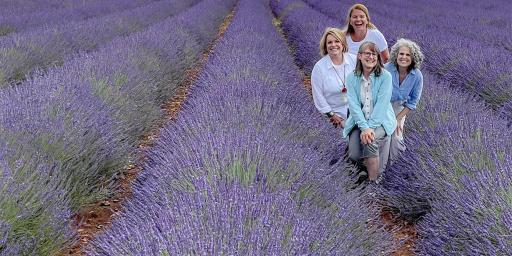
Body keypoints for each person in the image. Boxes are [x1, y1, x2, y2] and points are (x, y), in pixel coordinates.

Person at [343, 42, 396, 182]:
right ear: (359, 56)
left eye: (374, 54)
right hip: (359, 122)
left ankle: (373, 182)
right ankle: (363, 173)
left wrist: (370, 128)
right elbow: (353, 106)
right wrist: (364, 127)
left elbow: (382, 106)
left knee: (370, 142)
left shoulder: (385, 76)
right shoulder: (351, 78)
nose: (371, 57)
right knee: (354, 155)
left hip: (381, 121)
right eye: (367, 53)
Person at [384, 38, 424, 163]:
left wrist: (398, 118)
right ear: (396, 55)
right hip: (383, 106)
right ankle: (378, 169)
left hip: (399, 108)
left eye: (408, 55)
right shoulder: (386, 69)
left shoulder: (417, 75)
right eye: (401, 54)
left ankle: (394, 169)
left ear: (413, 58)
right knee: (383, 137)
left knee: (396, 138)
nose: (404, 57)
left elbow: (412, 101)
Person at [312, 27, 357, 128]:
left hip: (356, 111)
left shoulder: (354, 60)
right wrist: (331, 115)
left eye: (337, 41)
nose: (333, 45)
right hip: (334, 115)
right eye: (329, 42)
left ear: (342, 44)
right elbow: (318, 95)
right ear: (325, 46)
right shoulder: (319, 68)